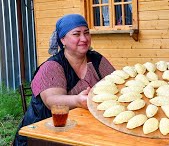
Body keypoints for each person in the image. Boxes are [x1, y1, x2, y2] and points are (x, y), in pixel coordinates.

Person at [13, 14, 115, 145]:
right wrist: (78, 100)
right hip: (43, 136)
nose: (84, 38)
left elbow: (116, 83)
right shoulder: (52, 66)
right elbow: (52, 101)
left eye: (86, 33)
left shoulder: (96, 60)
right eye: (76, 34)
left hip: (79, 131)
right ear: (62, 40)